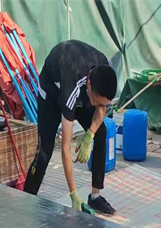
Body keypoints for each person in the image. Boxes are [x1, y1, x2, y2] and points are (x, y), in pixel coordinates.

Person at [23, 40, 117, 215]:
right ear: (89, 86)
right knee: (45, 151)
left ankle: (95, 197)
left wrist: (90, 134)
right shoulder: (72, 84)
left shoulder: (103, 68)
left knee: (101, 132)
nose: (100, 107)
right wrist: (73, 195)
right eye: (98, 102)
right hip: (51, 92)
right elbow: (65, 148)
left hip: (80, 88)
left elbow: (102, 108)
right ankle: (27, 197)